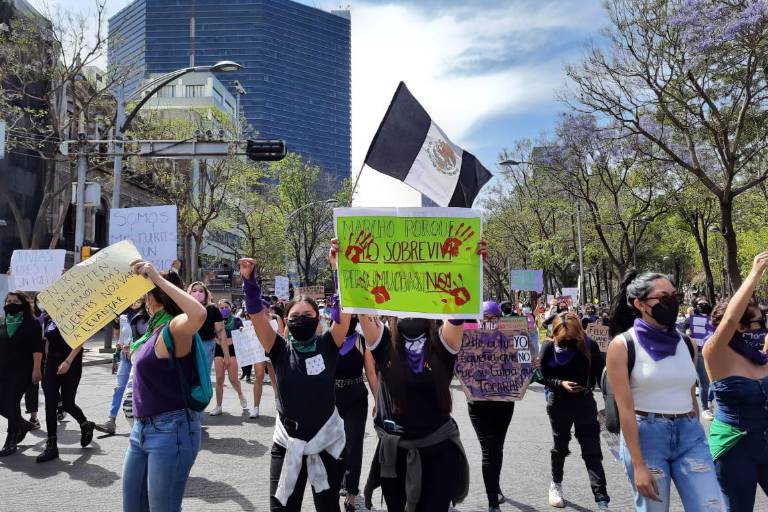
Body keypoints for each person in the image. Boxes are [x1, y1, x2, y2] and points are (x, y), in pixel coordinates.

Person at [359, 239, 486, 512]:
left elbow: (458, 310)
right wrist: (343, 268)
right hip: (394, 457)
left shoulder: (443, 344)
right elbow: (361, 304)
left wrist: (471, 265)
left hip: (438, 454)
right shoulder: (384, 345)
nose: (410, 312)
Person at [238, 239, 352, 512]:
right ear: (286, 321)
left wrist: (338, 268)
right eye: (295, 315)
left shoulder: (329, 344)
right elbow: (256, 316)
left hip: (328, 442)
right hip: (287, 443)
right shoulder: (278, 348)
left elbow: (345, 310)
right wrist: (249, 281)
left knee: (328, 508)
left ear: (319, 319)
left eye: (308, 314)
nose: (301, 318)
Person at [606, 271, 723, 511]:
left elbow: (690, 395)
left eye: (674, 296)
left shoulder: (688, 344)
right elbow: (625, 409)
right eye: (663, 298)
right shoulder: (623, 345)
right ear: (640, 304)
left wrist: (695, 424)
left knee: (711, 506)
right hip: (646, 437)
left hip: (690, 435)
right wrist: (638, 465)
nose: (671, 303)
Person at [122, 260, 207, 512]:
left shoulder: (174, 328)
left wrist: (157, 279)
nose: (143, 301)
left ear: (152, 296)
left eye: (146, 294)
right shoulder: (151, 331)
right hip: (140, 430)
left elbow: (199, 314)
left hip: (171, 430)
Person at [703, 251, 768, 511]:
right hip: (734, 448)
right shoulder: (714, 352)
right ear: (739, 327)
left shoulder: (762, 353)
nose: (762, 327)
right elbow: (730, 319)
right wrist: (755, 273)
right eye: (757, 322)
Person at [539, 312, 609, 509]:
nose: (567, 343)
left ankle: (601, 497)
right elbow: (542, 375)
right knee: (560, 445)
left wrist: (610, 404)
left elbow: (601, 375)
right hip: (559, 402)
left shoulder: (590, 345)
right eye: (564, 340)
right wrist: (560, 384)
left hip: (584, 401)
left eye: (571, 339)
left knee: (592, 448)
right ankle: (556, 484)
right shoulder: (548, 347)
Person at [466, 300, 514, 512]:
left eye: (494, 318)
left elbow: (521, 368)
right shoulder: (469, 339)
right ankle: (493, 502)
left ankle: (495, 486)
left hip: (504, 403)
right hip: (479, 405)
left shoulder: (510, 339)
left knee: (498, 448)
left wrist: (532, 364)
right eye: (486, 318)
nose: (490, 322)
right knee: (489, 450)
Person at [35, 312, 95, 462]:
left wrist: (67, 362)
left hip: (71, 364)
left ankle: (85, 424)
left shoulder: (76, 314)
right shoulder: (48, 318)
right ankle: (51, 445)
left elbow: (80, 341)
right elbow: (47, 341)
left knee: (68, 403)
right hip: (51, 365)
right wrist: (45, 363)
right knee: (50, 403)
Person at [334, 315, 378, 511]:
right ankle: (338, 481)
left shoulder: (362, 341)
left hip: (356, 398)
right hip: (332, 398)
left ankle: (352, 491)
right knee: (336, 445)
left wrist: (378, 400)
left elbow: (371, 372)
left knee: (354, 444)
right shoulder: (330, 339)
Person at [96, 299, 149, 435]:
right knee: (119, 387)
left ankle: (142, 422)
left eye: (139, 297)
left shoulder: (149, 314)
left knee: (139, 390)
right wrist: (116, 355)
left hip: (141, 357)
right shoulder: (123, 316)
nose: (135, 301)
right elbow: (119, 338)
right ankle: (111, 420)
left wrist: (134, 347)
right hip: (125, 358)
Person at [0, 291, 43, 456]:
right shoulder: (3, 323)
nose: (11, 303)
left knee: (12, 402)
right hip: (4, 370)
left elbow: (37, 348)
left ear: (23, 304)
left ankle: (11, 440)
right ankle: (23, 425)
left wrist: (37, 369)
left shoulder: (32, 323)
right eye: (8, 301)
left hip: (23, 370)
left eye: (15, 301)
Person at [209, 298, 247, 416]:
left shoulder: (236, 320)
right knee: (219, 379)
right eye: (221, 308)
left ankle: (240, 394)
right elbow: (212, 335)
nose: (224, 309)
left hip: (232, 350)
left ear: (231, 308)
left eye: (226, 307)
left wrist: (242, 331)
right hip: (218, 349)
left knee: (233, 379)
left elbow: (241, 333)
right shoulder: (214, 320)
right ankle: (218, 406)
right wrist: (220, 341)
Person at [684, 296, 715, 420]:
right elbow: (683, 332)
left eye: (705, 303)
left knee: (715, 381)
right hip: (700, 353)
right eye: (701, 304)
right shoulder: (690, 320)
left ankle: (709, 400)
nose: (704, 305)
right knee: (704, 382)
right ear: (696, 306)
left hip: (714, 353)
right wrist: (687, 333)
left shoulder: (713, 318)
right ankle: (705, 409)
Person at [187, 281, 224, 374]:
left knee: (203, 373)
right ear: (189, 293)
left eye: (201, 291)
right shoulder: (184, 308)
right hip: (187, 345)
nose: (197, 293)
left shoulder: (212, 308)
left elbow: (220, 331)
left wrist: (226, 355)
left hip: (206, 345)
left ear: (206, 294)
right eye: (194, 291)